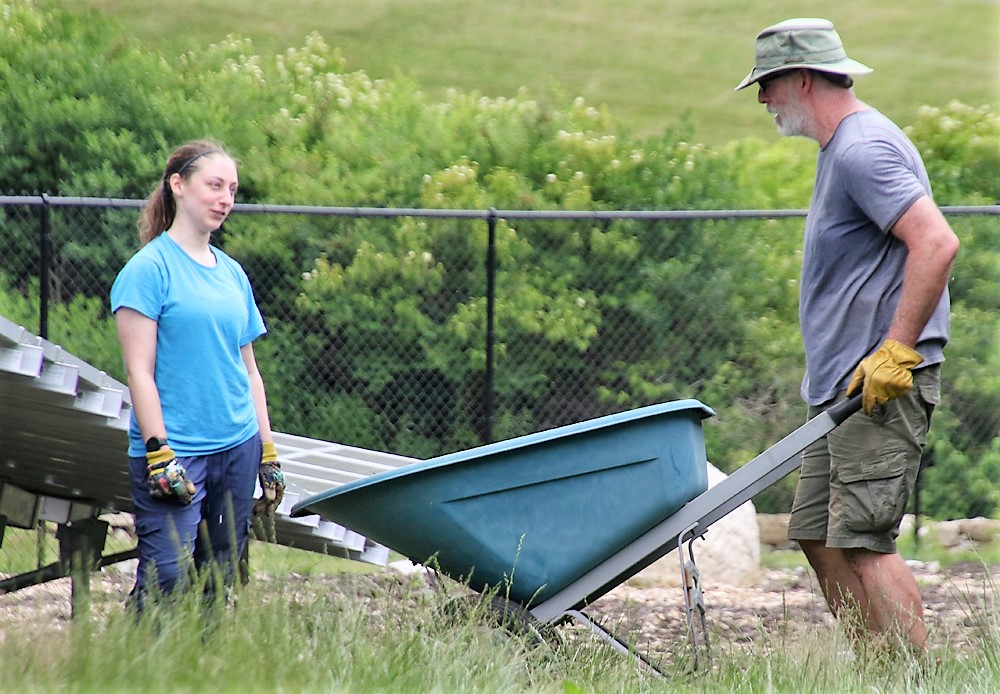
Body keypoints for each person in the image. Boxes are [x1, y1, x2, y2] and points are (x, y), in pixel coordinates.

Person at [735, 19, 960, 655]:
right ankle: (876, 667)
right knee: (817, 533)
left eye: (768, 84)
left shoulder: (864, 149)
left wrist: (897, 350)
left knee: (863, 539)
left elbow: (937, 243)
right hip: (844, 387)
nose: (762, 99)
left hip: (881, 382)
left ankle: (916, 679)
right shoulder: (842, 148)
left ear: (802, 79)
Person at [111, 140, 286, 611]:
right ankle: (135, 669)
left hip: (237, 446)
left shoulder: (232, 273)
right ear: (178, 186)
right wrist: (157, 452)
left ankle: (202, 670)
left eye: (232, 189)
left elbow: (249, 370)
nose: (225, 198)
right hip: (176, 450)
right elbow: (139, 373)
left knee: (220, 574)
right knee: (167, 575)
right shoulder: (147, 271)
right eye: (214, 185)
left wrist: (267, 450)